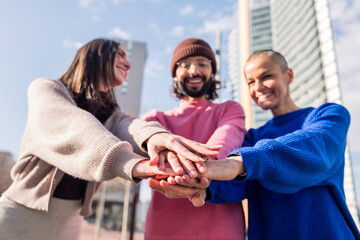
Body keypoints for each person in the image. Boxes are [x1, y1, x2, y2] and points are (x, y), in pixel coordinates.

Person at [0, 38, 221, 240]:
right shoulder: (46, 88)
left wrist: (159, 138)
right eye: (121, 55)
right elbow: (77, 126)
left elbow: (130, 126)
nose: (128, 64)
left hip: (72, 220)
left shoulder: (111, 113)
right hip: (19, 213)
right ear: (96, 55)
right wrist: (135, 164)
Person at [148, 50, 360, 239]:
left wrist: (240, 162)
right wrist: (196, 184)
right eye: (250, 82)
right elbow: (232, 185)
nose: (258, 87)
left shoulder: (328, 115)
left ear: (289, 75)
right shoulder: (251, 139)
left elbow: (315, 149)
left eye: (266, 76)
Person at [143, 37, 247, 240]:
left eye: (202, 63)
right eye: (185, 65)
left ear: (212, 72)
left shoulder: (229, 110)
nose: (194, 71)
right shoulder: (155, 119)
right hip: (163, 230)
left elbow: (224, 141)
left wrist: (188, 168)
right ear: (174, 75)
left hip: (222, 231)